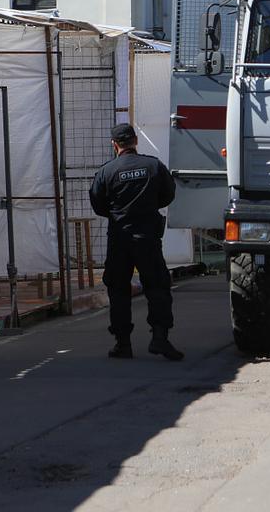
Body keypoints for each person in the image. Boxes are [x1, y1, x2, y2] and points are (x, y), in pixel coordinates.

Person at [90, 123, 183, 361]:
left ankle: (123, 344)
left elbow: (98, 204)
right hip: (148, 239)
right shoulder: (153, 166)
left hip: (119, 240)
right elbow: (169, 194)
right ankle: (160, 337)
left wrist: (118, 213)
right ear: (135, 141)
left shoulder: (107, 171)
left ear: (115, 145)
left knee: (118, 290)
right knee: (157, 287)